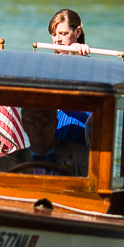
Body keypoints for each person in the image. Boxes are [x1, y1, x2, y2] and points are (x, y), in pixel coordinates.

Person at [0, 107, 88, 177]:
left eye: (45, 119)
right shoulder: (5, 165)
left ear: (55, 123)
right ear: (24, 126)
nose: (39, 125)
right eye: (31, 120)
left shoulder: (83, 161)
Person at [48, 8, 93, 145]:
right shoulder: (47, 64)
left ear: (77, 32)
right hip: (59, 129)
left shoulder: (90, 64)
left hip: (84, 130)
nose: (58, 40)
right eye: (54, 34)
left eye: (63, 34)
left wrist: (78, 57)